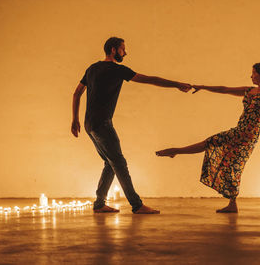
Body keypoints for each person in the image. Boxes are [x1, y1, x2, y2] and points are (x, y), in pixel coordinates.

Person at [156, 63, 260, 213]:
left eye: (253, 73)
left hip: (248, 134)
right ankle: (232, 204)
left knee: (212, 143)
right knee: (232, 164)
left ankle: (176, 151)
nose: (250, 76)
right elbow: (224, 89)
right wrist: (203, 86)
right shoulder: (248, 91)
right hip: (240, 129)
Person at [71, 37, 191, 214]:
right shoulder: (117, 70)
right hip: (103, 123)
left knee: (110, 162)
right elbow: (150, 79)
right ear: (113, 50)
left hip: (89, 124)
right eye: (122, 49)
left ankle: (99, 203)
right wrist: (176, 84)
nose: (125, 53)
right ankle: (137, 205)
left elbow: (76, 94)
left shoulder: (92, 69)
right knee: (119, 162)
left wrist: (75, 119)